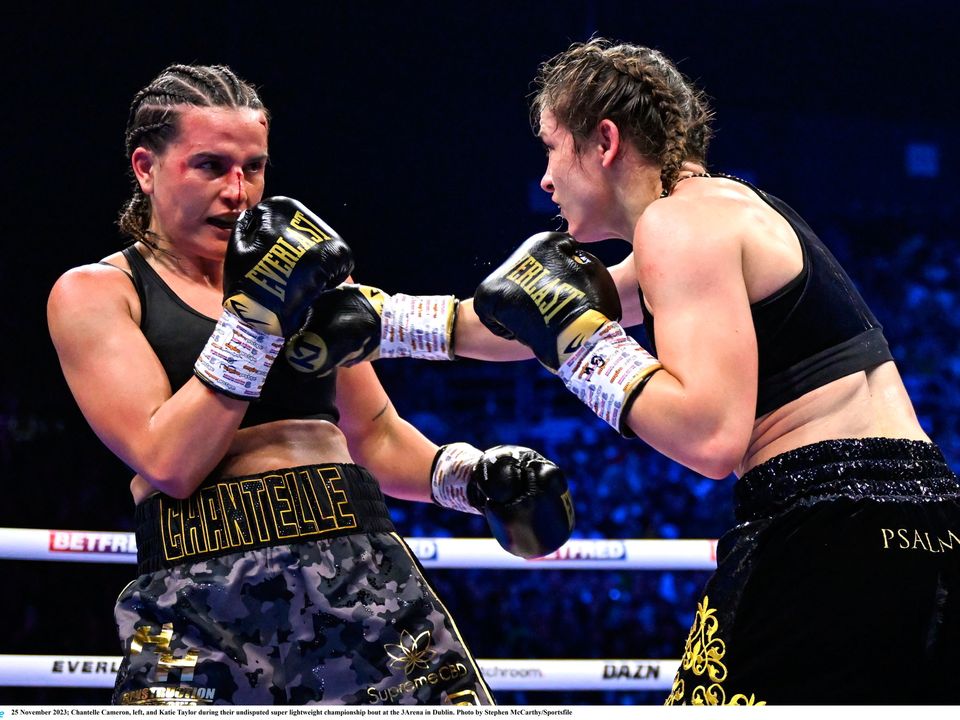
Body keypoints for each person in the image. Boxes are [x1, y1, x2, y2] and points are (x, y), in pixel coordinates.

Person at [302, 39, 960, 705]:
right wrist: (382, 320)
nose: (545, 179)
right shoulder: (720, 211)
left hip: (829, 533)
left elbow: (708, 437)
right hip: (926, 529)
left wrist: (578, 347)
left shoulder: (678, 226)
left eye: (552, 148)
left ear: (605, 142)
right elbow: (525, 320)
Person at [46, 63, 574, 707]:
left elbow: (375, 435)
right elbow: (169, 461)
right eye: (209, 166)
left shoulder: (308, 281)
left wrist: (471, 477)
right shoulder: (97, 293)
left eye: (255, 168)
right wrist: (259, 318)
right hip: (199, 589)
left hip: (358, 570)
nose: (238, 192)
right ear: (145, 168)